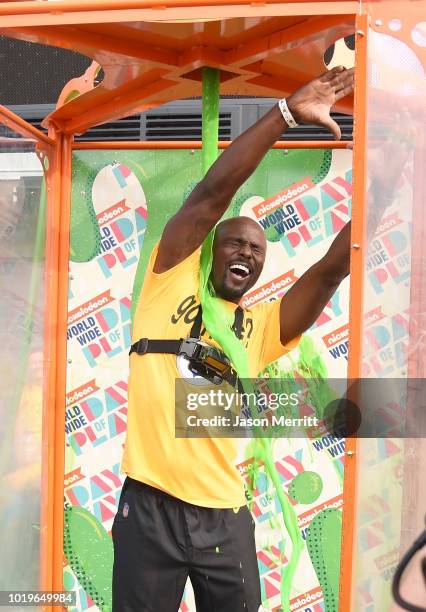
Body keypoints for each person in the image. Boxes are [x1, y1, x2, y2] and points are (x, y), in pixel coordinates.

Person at [112, 66, 374, 612]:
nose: (247, 255)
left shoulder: (258, 329)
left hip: (224, 520)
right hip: (150, 511)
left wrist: (396, 185)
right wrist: (283, 115)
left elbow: (329, 271)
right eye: (234, 243)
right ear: (208, 250)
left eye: (257, 252)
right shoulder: (168, 280)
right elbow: (212, 193)